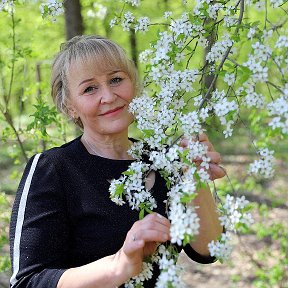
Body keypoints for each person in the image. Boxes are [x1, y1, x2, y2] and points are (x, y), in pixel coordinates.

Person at [9, 35, 225, 288]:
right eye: (90, 88)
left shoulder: (166, 161)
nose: (109, 96)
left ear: (133, 84)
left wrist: (194, 178)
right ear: (70, 106)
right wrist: (118, 265)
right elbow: (28, 282)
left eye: (116, 79)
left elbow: (209, 251)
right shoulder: (53, 168)